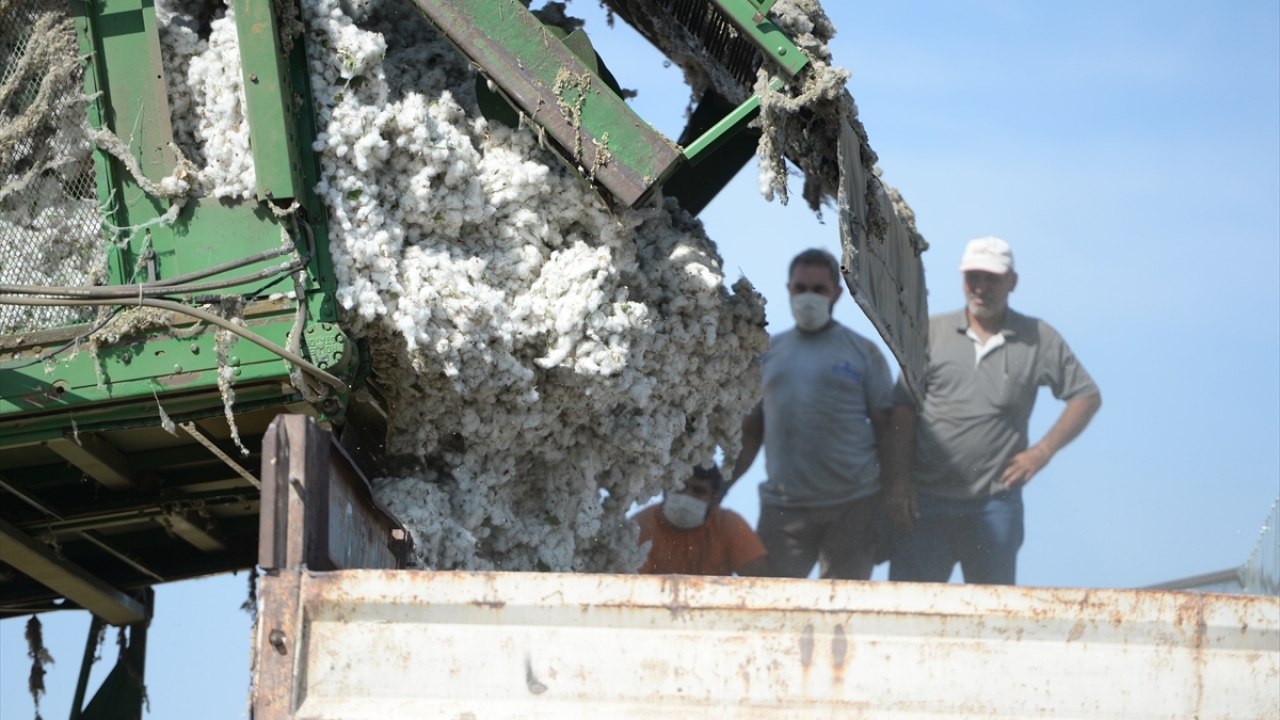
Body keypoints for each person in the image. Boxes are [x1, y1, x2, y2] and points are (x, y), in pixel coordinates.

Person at [884, 236, 1102, 585]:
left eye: (992, 278)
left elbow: (1086, 396)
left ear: (1011, 281)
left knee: (990, 618)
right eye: (973, 277)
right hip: (926, 503)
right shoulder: (930, 332)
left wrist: (1042, 453)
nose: (981, 287)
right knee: (908, 610)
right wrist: (897, 481)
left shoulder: (1038, 337)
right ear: (961, 280)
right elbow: (902, 408)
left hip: (995, 503)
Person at [727, 248, 895, 580]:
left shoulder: (864, 352)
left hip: (854, 504)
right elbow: (750, 433)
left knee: (842, 613)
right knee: (772, 604)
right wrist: (722, 485)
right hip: (784, 508)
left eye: (818, 290)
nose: (808, 297)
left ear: (837, 293)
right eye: (800, 288)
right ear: (788, 289)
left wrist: (890, 498)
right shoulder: (766, 354)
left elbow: (887, 430)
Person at [634, 465, 769, 576]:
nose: (687, 496)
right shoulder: (642, 525)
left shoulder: (728, 523)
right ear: (665, 488)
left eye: (698, 491)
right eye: (680, 487)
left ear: (715, 498)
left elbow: (761, 582)